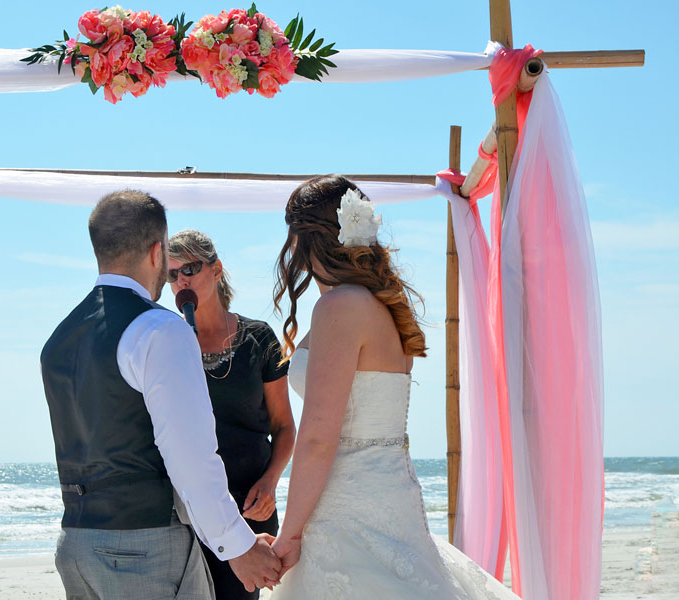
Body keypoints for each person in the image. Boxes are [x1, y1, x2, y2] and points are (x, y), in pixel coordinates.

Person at [268, 175, 519, 599]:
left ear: (303, 238)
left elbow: (317, 439)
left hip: (346, 507)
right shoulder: (381, 305)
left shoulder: (339, 307)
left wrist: (288, 534)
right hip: (389, 496)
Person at [41, 191, 282, 599]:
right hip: (144, 550)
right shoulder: (160, 329)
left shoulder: (58, 339)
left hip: (76, 545)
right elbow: (190, 457)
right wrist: (239, 546)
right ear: (157, 253)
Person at [168, 230, 297, 600]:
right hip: (187, 510)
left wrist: (270, 482)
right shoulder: (168, 342)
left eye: (190, 269)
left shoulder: (260, 339)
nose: (181, 281)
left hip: (249, 508)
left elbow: (284, 427)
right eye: (171, 274)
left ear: (216, 269)